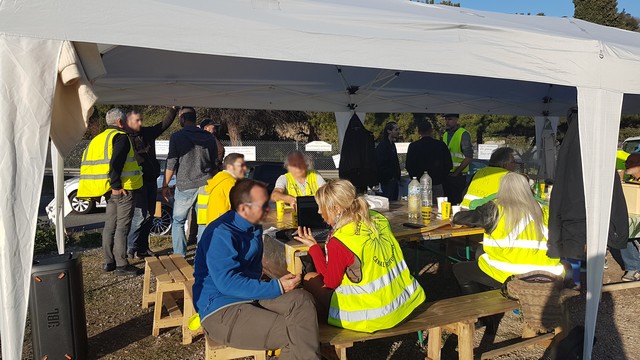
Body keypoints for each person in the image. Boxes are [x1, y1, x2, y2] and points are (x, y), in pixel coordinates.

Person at [193, 179, 320, 359]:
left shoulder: (253, 226)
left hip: (251, 296)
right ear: (244, 208)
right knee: (300, 334)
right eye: (263, 205)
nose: (269, 208)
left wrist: (279, 285)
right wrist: (277, 288)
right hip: (222, 309)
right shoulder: (221, 233)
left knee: (302, 299)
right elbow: (227, 283)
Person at [294, 179, 425, 333]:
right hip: (402, 304)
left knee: (310, 278)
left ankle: (321, 335)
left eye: (321, 207)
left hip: (371, 316)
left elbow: (329, 282)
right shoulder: (378, 218)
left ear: (336, 208)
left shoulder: (341, 241)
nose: (318, 212)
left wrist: (315, 249)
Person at [452, 172, 565, 295]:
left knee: (460, 269)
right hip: (548, 274)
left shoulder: (495, 209)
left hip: (507, 274)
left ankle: (476, 305)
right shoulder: (547, 210)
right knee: (481, 252)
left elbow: (461, 218)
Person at [77, 108, 143, 276]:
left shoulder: (98, 139)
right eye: (125, 121)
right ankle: (121, 264)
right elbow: (115, 163)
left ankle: (109, 262)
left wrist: (112, 186)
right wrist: (116, 185)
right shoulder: (120, 137)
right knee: (122, 227)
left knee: (109, 226)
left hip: (107, 190)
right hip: (123, 189)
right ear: (120, 122)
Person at [162, 107, 217, 256]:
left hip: (185, 185)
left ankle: (180, 255)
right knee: (203, 222)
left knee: (178, 221)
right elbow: (215, 162)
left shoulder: (177, 137)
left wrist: (165, 185)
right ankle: (202, 255)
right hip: (206, 184)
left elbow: (171, 163)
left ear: (182, 119)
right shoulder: (208, 137)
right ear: (195, 119)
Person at [125, 107, 178, 259]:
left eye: (141, 119)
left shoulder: (147, 133)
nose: (140, 123)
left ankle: (142, 247)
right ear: (128, 122)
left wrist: (173, 110)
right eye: (137, 120)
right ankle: (130, 247)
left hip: (151, 181)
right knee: (139, 216)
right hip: (136, 182)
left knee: (150, 215)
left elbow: (163, 125)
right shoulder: (125, 138)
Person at [405, 120, 452, 203]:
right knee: (438, 207)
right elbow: (448, 164)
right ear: (431, 131)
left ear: (419, 132)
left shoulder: (413, 146)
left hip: (419, 184)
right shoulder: (440, 145)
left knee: (420, 207)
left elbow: (409, 165)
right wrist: (442, 178)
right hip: (437, 182)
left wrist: (414, 178)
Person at [195, 118, 225, 230]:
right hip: (209, 176)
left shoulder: (202, 138)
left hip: (202, 176)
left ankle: (194, 234)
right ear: (206, 127)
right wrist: (216, 164)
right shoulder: (210, 138)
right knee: (203, 211)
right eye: (213, 126)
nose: (215, 128)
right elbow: (220, 150)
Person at [204, 153, 246, 223]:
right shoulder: (230, 183)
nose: (245, 168)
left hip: (216, 224)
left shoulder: (220, 180)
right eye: (240, 165)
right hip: (225, 225)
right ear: (230, 167)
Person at [442, 113, 473, 205]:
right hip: (447, 175)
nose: (447, 122)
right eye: (446, 119)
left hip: (458, 176)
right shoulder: (445, 135)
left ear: (456, 120)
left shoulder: (463, 134)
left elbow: (469, 157)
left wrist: (456, 173)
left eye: (450, 119)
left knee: (457, 203)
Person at [618, 152, 640, 281]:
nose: (627, 164)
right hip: (633, 217)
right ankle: (633, 267)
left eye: (631, 162)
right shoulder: (631, 181)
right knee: (624, 232)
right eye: (626, 161)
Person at [375, 122, 401, 200]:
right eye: (396, 129)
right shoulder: (383, 146)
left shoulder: (392, 144)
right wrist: (389, 176)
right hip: (387, 180)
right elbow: (381, 163)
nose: (398, 131)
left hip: (393, 179)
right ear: (389, 131)